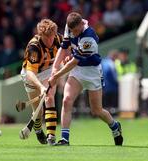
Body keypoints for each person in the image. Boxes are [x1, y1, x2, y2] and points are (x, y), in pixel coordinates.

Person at [48, 12, 123, 146]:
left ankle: (115, 126)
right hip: (77, 72)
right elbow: (64, 47)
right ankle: (65, 139)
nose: (74, 34)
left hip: (92, 72)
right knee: (66, 100)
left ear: (82, 24)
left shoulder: (89, 38)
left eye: (76, 31)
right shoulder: (69, 26)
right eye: (72, 31)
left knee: (97, 111)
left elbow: (73, 62)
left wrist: (56, 76)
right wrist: (54, 68)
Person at [18, 19, 62, 145]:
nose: (49, 41)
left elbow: (68, 51)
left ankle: (51, 138)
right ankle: (37, 128)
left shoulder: (59, 39)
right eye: (46, 37)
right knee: (38, 112)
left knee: (49, 98)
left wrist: (67, 57)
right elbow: (30, 73)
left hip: (49, 70)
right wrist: (41, 87)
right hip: (31, 75)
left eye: (51, 37)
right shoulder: (34, 46)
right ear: (40, 35)